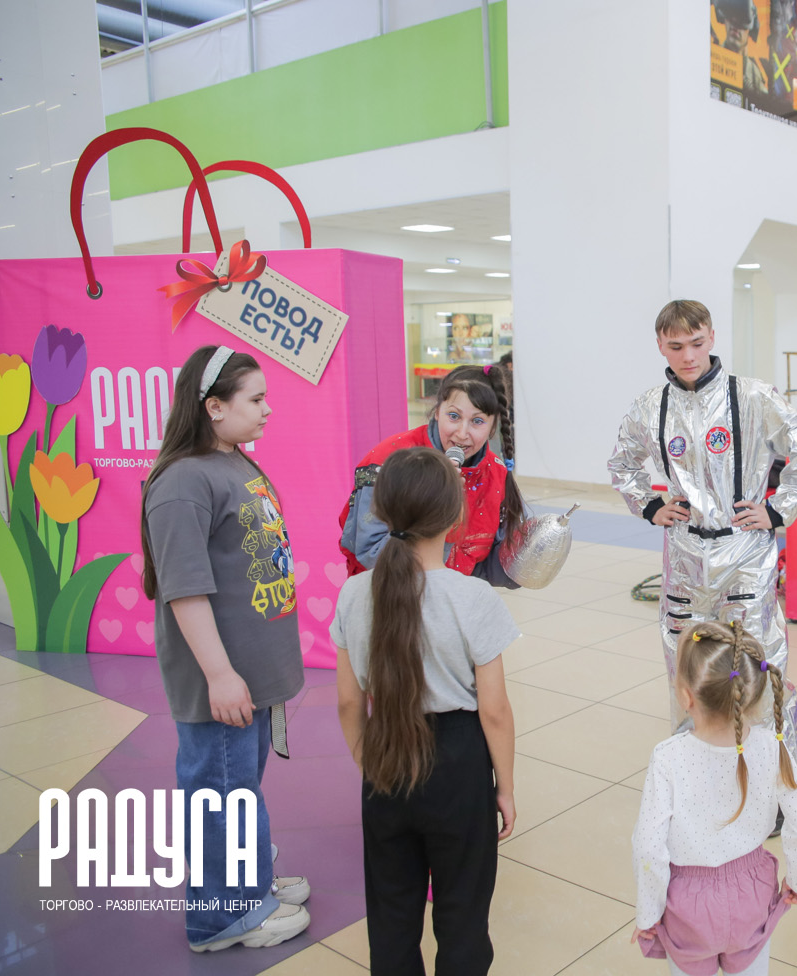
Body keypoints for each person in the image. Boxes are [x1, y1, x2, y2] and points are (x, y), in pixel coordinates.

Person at [608, 300, 797, 771]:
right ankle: (698, 776)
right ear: (660, 345)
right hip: (685, 554)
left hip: (744, 551)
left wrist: (777, 510)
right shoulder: (651, 406)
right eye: (675, 346)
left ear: (711, 336)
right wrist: (651, 506)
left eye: (696, 343)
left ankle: (778, 779)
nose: (688, 356)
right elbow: (622, 464)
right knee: (687, 668)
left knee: (760, 666)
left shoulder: (753, 397)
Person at [139, 345, 309, 952]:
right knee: (221, 795)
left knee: (240, 787)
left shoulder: (233, 460)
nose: (267, 409)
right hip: (223, 681)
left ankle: (251, 882)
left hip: (250, 674)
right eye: (255, 399)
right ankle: (223, 917)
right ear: (213, 407)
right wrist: (219, 674)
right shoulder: (184, 482)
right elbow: (183, 589)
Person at [332, 446, 518, 974]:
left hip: (386, 758)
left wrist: (369, 762)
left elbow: (348, 701)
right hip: (458, 768)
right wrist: (503, 788)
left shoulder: (354, 593)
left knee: (390, 916)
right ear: (455, 515)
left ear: (381, 510)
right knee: (462, 915)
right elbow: (495, 712)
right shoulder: (474, 597)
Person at [632, 620, 797, 976]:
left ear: (686, 696)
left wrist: (648, 914)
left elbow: (648, 847)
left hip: (688, 905)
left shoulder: (668, 757)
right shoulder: (772, 745)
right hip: (754, 891)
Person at [339, 365, 523, 586]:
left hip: (450, 598)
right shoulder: (389, 462)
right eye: (453, 416)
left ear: (493, 426)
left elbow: (482, 567)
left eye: (477, 421)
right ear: (437, 411)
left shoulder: (496, 473)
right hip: (391, 596)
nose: (462, 433)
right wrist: (436, 504)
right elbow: (370, 554)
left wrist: (526, 558)